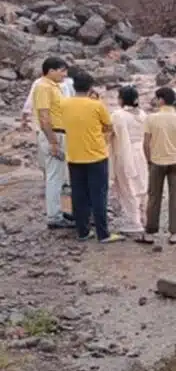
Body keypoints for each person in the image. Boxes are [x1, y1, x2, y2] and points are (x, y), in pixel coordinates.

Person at [60, 72, 124, 243]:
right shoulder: (96, 105)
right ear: (90, 88)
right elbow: (108, 126)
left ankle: (82, 232)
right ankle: (103, 234)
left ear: (74, 86)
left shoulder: (63, 104)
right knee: (99, 195)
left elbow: (61, 125)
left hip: (74, 155)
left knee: (79, 195)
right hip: (96, 155)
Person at [137, 87, 176, 246]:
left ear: (161, 100)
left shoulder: (151, 118)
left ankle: (150, 233)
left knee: (154, 197)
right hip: (174, 162)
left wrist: (149, 160)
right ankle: (174, 233)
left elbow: (146, 144)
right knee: (175, 197)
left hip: (156, 162)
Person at [32, 57, 75, 229]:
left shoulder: (53, 86)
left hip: (59, 133)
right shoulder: (43, 87)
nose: (64, 74)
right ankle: (54, 216)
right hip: (54, 134)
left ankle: (56, 211)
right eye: (61, 70)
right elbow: (44, 117)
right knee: (54, 177)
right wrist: (53, 142)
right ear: (50, 71)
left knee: (57, 175)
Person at [109, 86, 148, 236]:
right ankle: (142, 216)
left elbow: (114, 134)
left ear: (121, 99)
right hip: (140, 151)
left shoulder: (119, 115)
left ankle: (134, 221)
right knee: (140, 184)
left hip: (125, 151)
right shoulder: (142, 114)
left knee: (127, 185)